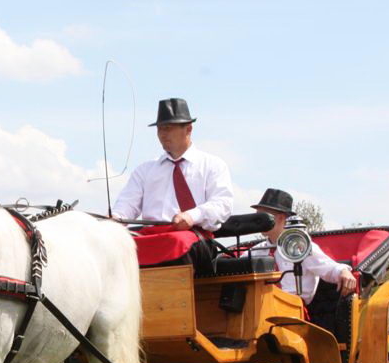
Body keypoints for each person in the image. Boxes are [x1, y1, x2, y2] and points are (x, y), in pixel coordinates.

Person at [112, 97, 234, 270]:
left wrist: (192, 216)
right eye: (160, 129)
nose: (162, 134)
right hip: (152, 235)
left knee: (176, 241)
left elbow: (223, 204)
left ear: (188, 129)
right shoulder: (145, 170)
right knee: (118, 246)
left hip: (194, 235)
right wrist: (114, 220)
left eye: (168, 128)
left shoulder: (213, 165)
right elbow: (126, 205)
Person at [251, 189, 356, 332]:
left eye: (262, 216)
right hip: (260, 311)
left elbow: (328, 267)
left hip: (292, 314)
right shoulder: (256, 251)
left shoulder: (300, 246)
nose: (257, 221)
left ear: (280, 218)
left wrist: (344, 271)